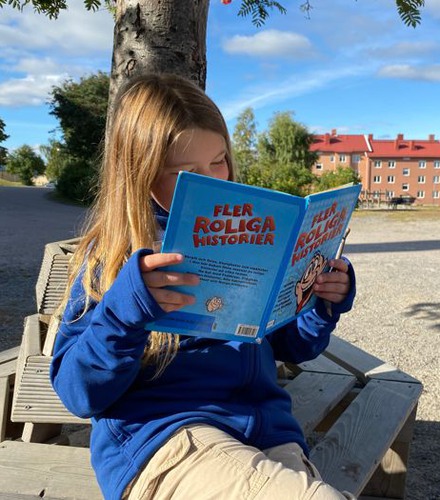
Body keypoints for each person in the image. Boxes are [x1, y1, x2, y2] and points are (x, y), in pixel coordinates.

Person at [50, 73, 357, 500]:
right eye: (186, 173)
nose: (215, 180)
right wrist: (123, 312)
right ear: (141, 173)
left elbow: (292, 347)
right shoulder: (113, 257)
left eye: (219, 161)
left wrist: (318, 303)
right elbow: (79, 393)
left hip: (265, 433)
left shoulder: (250, 233)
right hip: (164, 441)